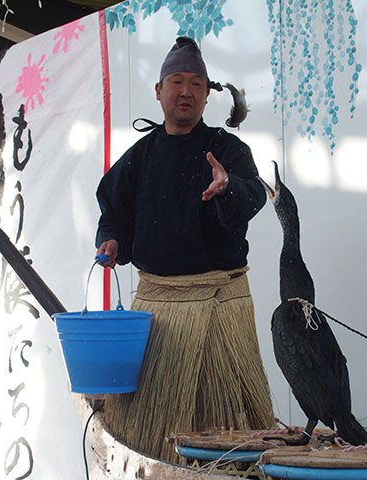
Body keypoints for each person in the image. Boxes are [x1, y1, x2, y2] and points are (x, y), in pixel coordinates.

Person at [94, 36, 275, 463]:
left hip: (219, 308)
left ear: (208, 94)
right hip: (159, 311)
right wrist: (113, 239)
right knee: (149, 439)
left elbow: (254, 195)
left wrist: (228, 187)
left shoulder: (228, 150)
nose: (186, 92)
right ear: (159, 90)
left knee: (233, 434)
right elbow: (114, 211)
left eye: (197, 83)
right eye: (177, 82)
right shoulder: (139, 157)